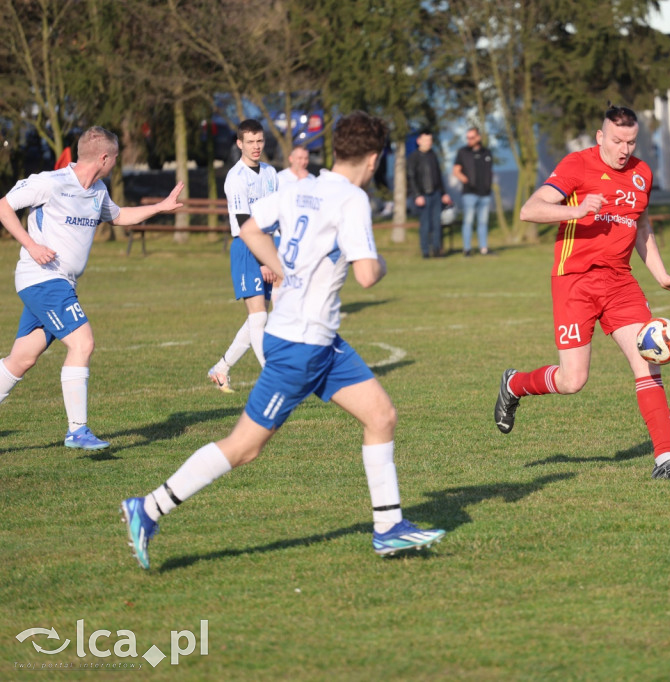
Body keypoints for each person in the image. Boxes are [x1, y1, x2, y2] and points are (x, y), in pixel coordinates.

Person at [120, 111, 446, 569]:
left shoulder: (299, 187)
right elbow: (369, 276)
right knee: (245, 447)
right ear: (373, 159)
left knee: (382, 415)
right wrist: (380, 261)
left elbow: (249, 228)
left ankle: (389, 528)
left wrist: (281, 266)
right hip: (299, 346)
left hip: (319, 341)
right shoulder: (351, 199)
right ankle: (149, 507)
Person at [493, 106, 670, 481]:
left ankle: (665, 460)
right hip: (575, 281)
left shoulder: (642, 173)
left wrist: (662, 274)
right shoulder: (578, 165)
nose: (624, 149)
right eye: (617, 141)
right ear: (600, 136)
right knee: (573, 381)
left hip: (620, 281)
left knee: (647, 360)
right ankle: (514, 384)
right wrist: (574, 210)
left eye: (631, 141)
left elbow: (641, 224)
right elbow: (530, 210)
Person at [0, 126, 184, 450]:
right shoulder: (50, 182)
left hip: (59, 283)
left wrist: (159, 207)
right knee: (83, 343)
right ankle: (77, 430)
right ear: (103, 157)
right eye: (114, 159)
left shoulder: (98, 191)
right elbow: (4, 206)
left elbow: (119, 215)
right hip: (44, 279)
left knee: (22, 359)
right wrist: (31, 245)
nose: (115, 165)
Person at [207, 119, 280, 392]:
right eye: (250, 142)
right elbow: (245, 223)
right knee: (259, 316)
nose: (256, 146)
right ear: (240, 144)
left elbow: (277, 215)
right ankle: (273, 380)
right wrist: (264, 260)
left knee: (256, 319)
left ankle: (221, 369)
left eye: (259, 140)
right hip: (247, 248)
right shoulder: (236, 178)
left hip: (268, 247)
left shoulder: (271, 173)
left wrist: (275, 254)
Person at [407, 129, 451, 258]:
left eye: (430, 140)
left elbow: (438, 176)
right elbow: (411, 177)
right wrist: (417, 195)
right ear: (419, 141)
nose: (428, 143)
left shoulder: (433, 155)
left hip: (436, 194)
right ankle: (425, 251)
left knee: (437, 224)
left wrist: (444, 193)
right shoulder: (414, 157)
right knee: (425, 224)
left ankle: (437, 249)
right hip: (423, 195)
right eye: (426, 140)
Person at [453, 126, 494, 256]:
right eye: (467, 137)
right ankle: (467, 249)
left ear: (478, 137)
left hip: (485, 193)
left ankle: (483, 248)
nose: (469, 140)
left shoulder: (486, 152)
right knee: (468, 221)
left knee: (483, 222)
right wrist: (467, 181)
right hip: (469, 193)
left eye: (472, 137)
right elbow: (456, 171)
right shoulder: (463, 152)